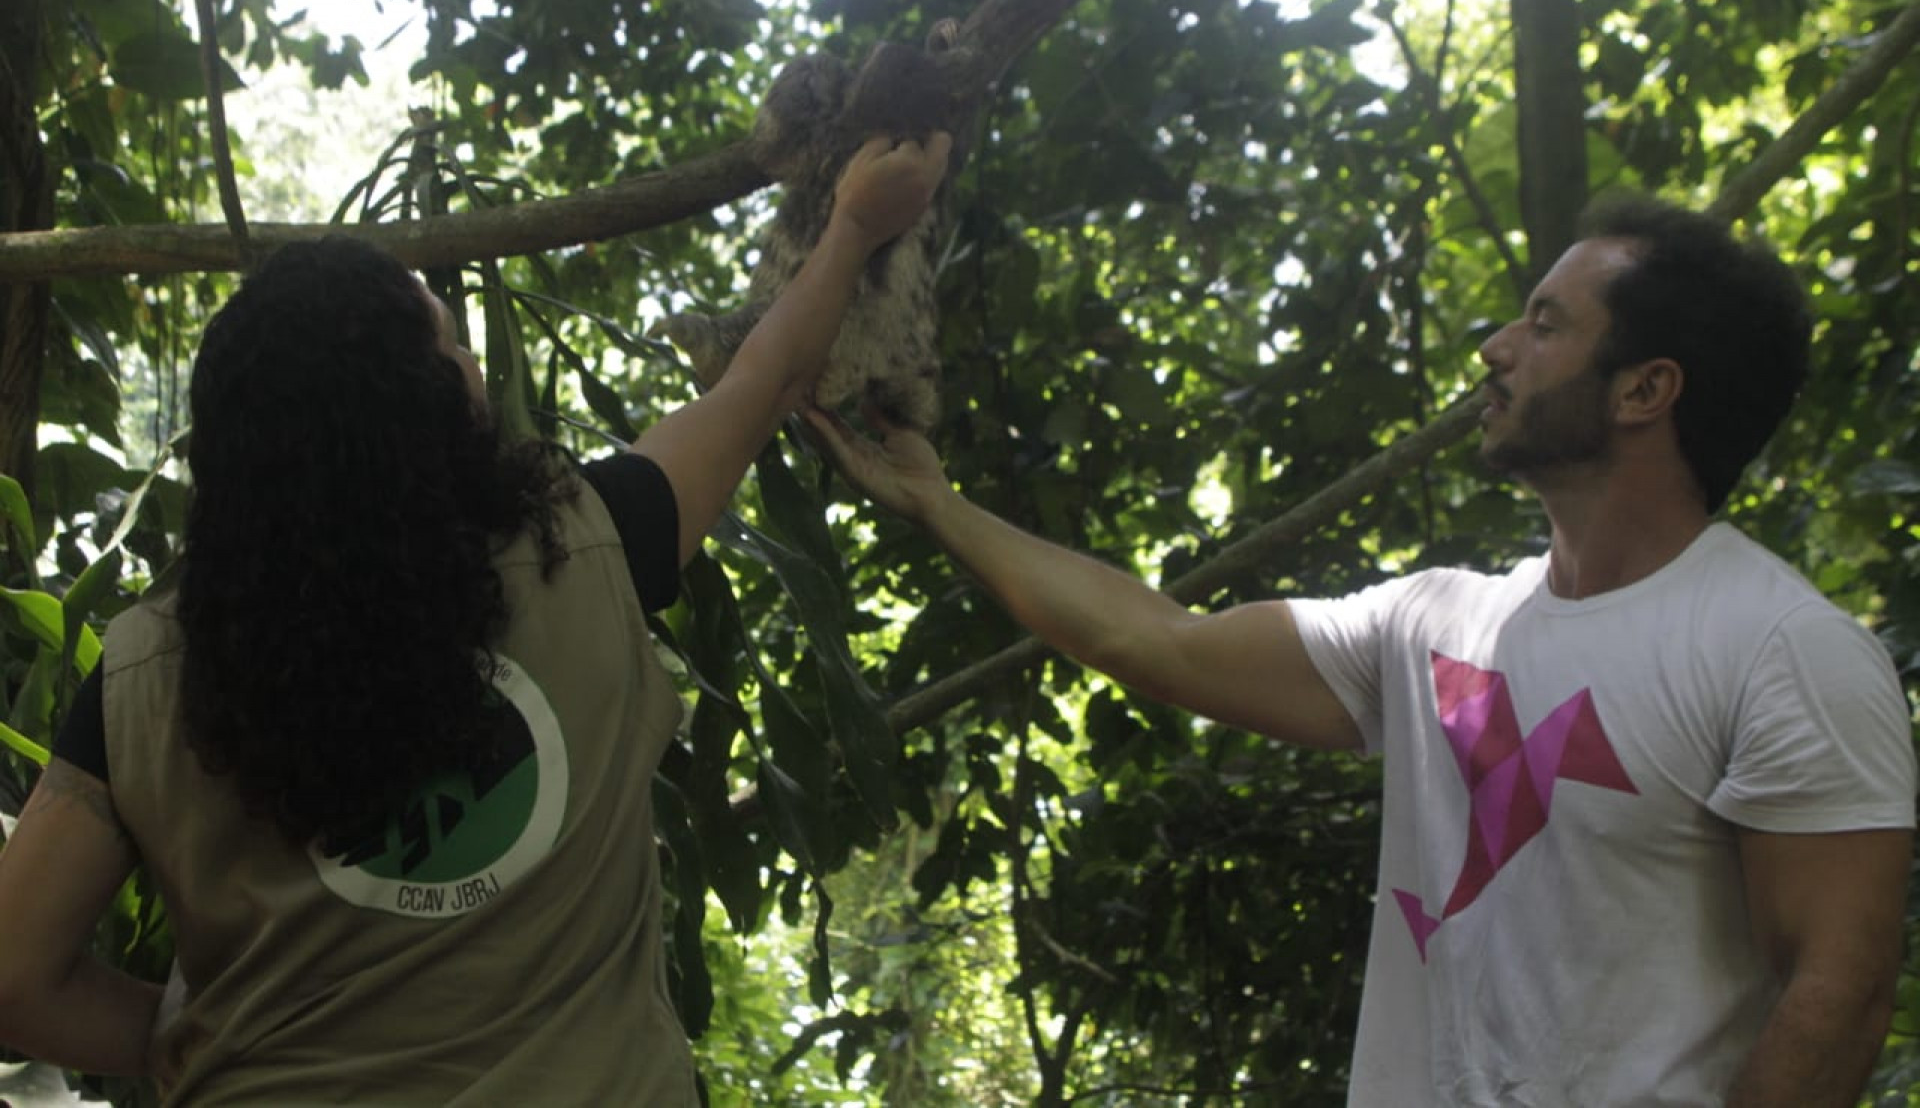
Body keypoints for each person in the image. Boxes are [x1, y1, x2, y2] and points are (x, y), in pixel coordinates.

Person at [805, 194, 1916, 1107]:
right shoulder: (1435, 623)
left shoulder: (1785, 649)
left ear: (1645, 388)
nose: (1496, 348)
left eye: (1543, 323)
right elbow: (1153, 635)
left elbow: (1841, 993)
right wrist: (936, 504)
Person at [0, 130, 951, 1104]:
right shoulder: (587, 547)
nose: (470, 359)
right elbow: (759, 383)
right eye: (452, 342)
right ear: (434, 403)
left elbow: (13, 980)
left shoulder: (144, 676)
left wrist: (183, 1039)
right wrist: (855, 226)